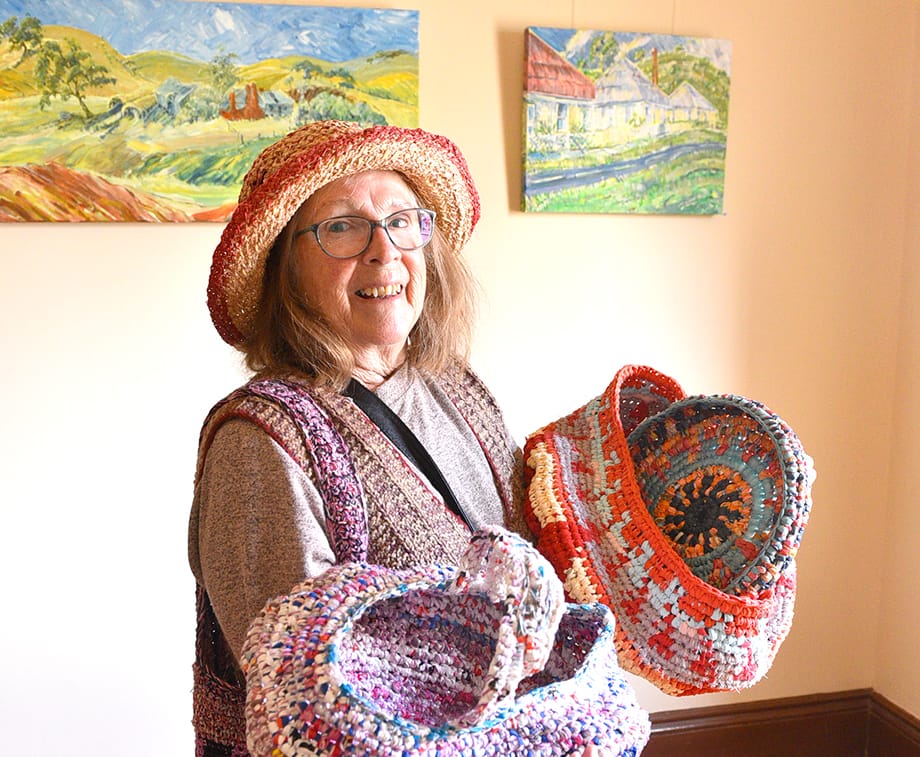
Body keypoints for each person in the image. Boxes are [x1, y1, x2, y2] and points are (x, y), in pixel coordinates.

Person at [188, 120, 607, 756]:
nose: (384, 251)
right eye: (342, 227)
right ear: (286, 267)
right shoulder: (260, 440)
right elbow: (300, 688)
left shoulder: (459, 390)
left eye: (403, 220)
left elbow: (535, 551)